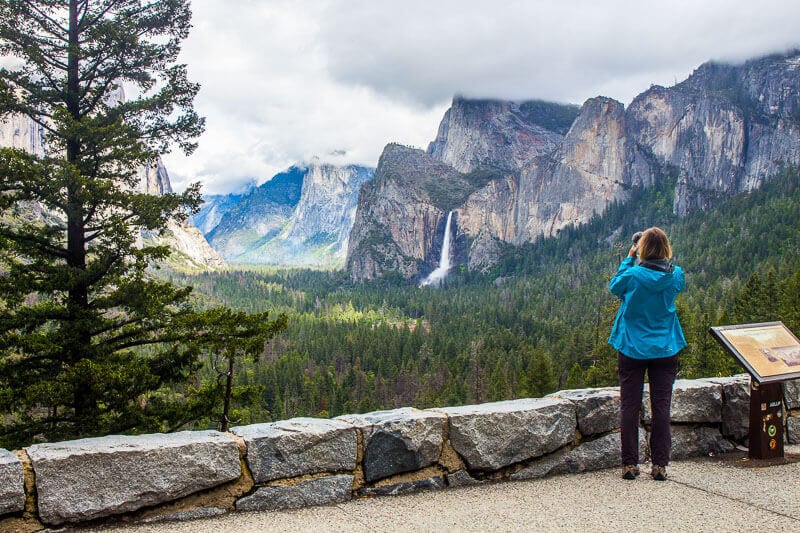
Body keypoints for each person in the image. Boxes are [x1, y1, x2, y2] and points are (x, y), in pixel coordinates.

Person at [608, 227, 687, 481]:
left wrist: (630, 257)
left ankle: (630, 464)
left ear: (642, 249)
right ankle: (660, 465)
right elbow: (674, 279)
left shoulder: (632, 275)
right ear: (666, 249)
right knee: (661, 406)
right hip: (665, 348)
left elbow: (614, 286)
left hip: (632, 347)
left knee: (629, 406)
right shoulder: (676, 276)